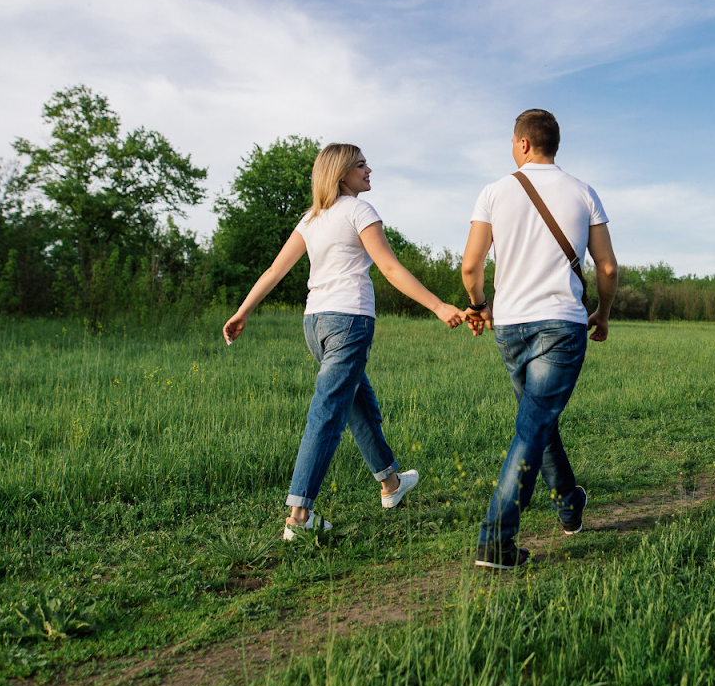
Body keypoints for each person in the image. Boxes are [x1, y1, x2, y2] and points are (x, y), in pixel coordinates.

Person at [223, 143, 467, 540]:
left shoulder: (312, 218)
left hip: (315, 324)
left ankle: (390, 485)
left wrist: (244, 310)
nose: (369, 169)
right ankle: (299, 519)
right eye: (360, 165)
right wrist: (438, 305)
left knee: (358, 404)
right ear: (341, 175)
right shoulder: (358, 211)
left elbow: (275, 269)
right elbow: (389, 266)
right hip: (349, 321)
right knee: (328, 412)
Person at [461, 109, 618, 571]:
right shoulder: (583, 192)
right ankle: (496, 542)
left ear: (524, 144)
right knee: (533, 426)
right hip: (561, 324)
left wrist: (478, 305)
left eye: (513, 142)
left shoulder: (494, 191)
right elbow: (607, 268)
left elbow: (471, 266)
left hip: (510, 326)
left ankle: (570, 504)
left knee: (535, 422)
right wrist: (603, 314)